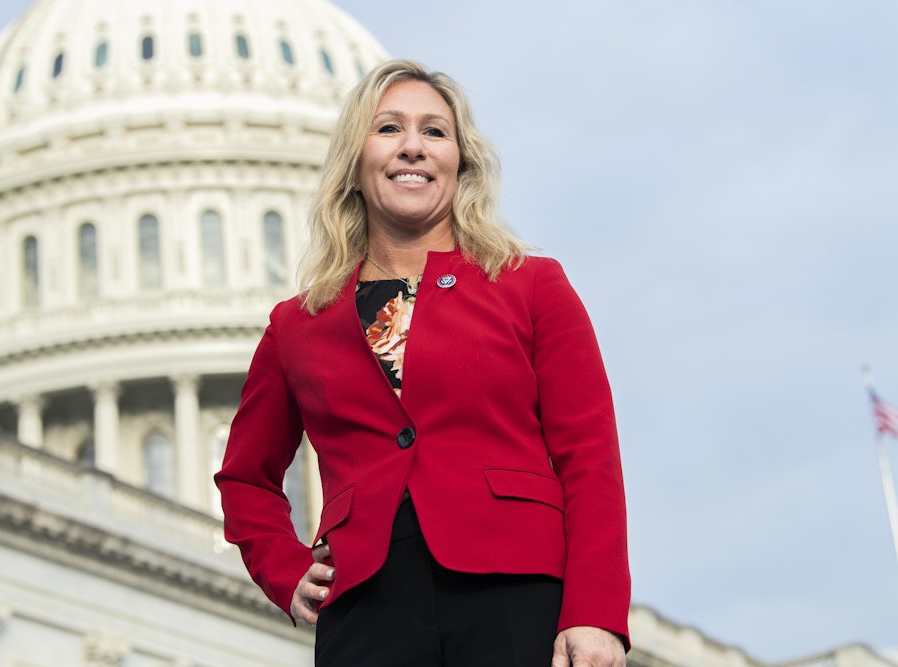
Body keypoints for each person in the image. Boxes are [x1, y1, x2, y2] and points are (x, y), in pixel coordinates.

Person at [215, 58, 630, 667]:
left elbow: (590, 458)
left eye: (434, 132)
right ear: (354, 166)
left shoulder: (531, 285)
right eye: (388, 129)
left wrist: (595, 614)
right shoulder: (297, 326)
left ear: (460, 164)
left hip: (515, 591)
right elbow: (245, 478)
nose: (413, 146)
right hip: (367, 608)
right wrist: (285, 568)